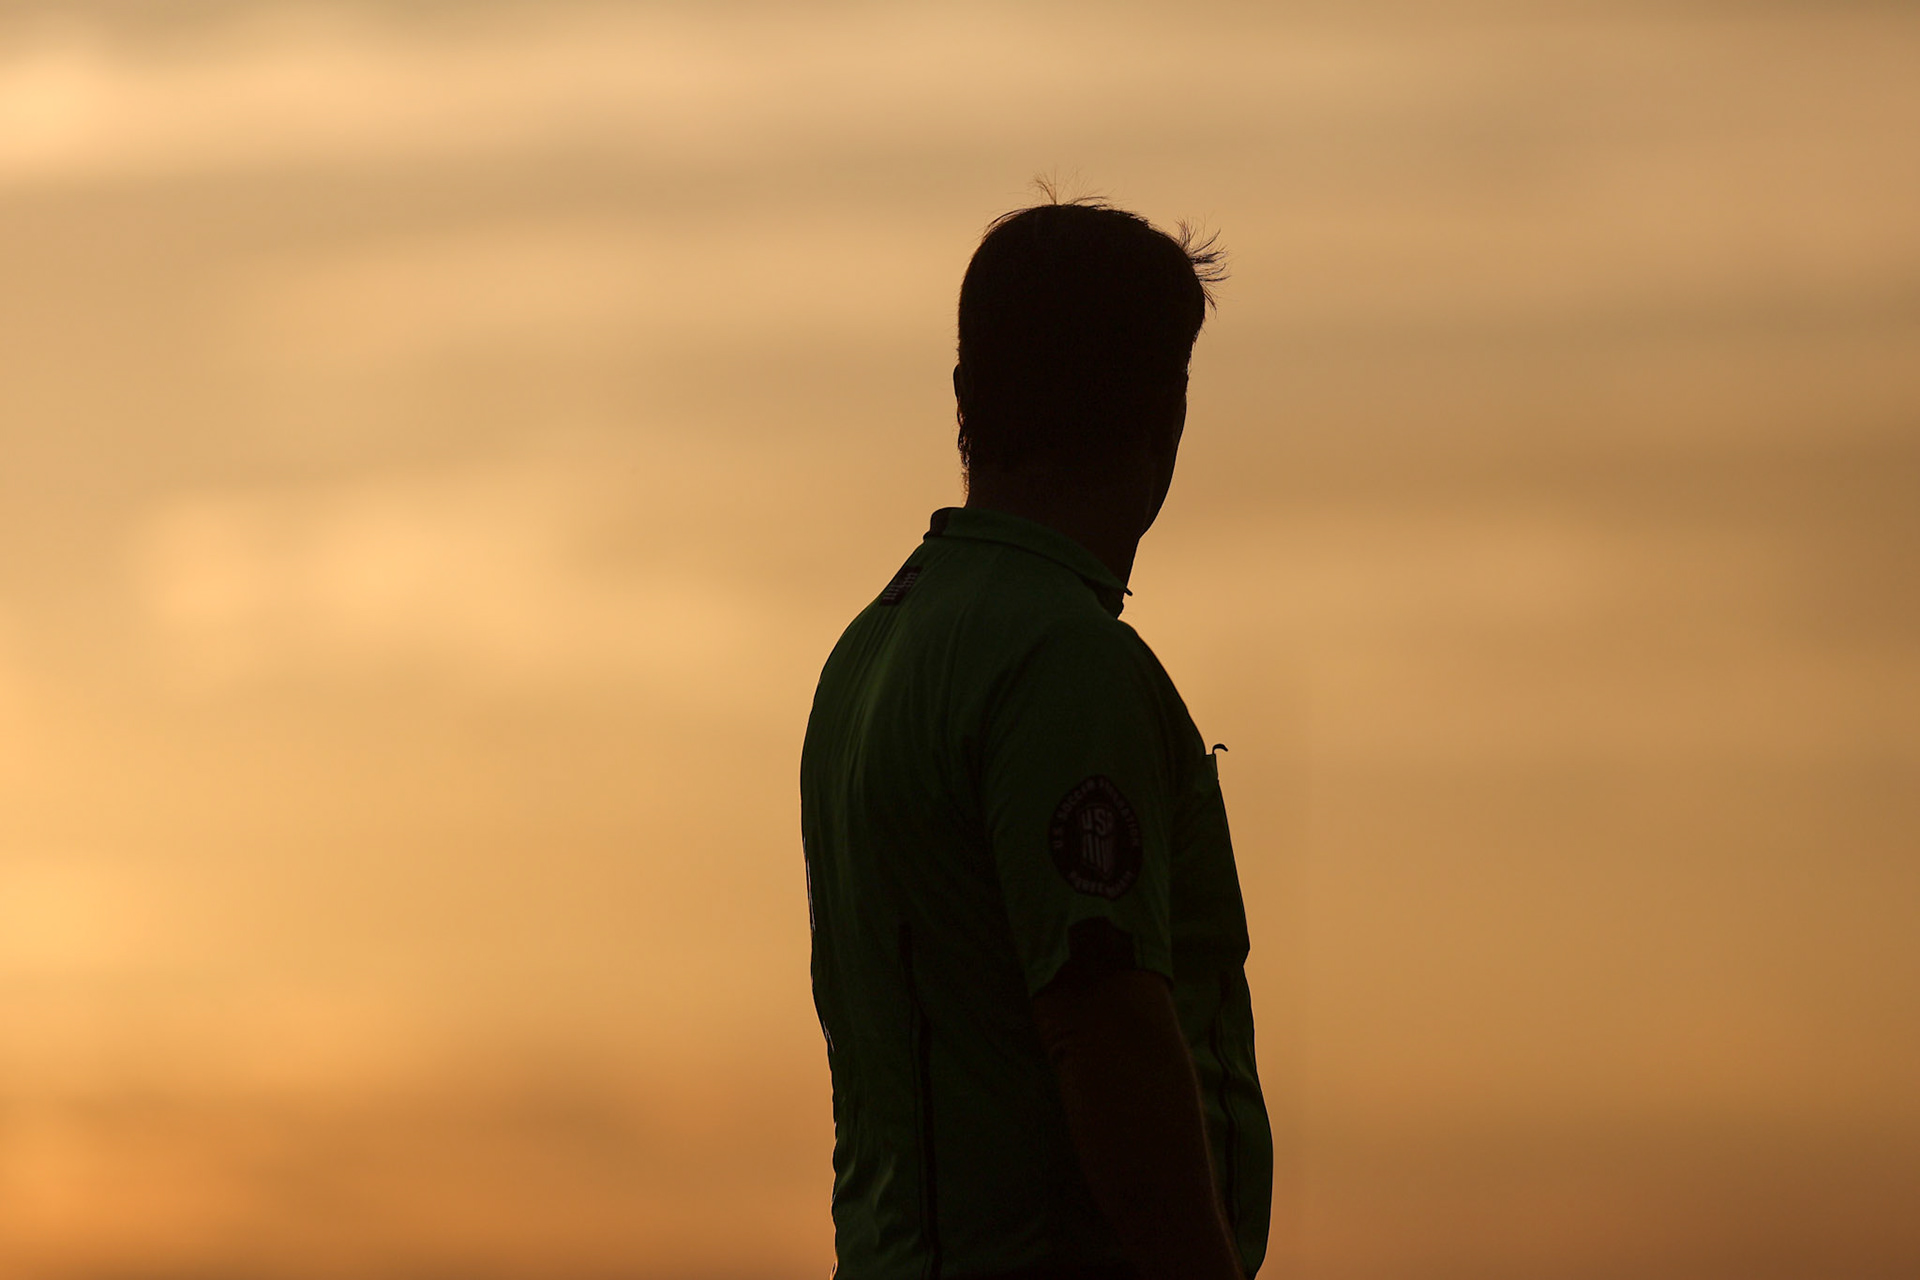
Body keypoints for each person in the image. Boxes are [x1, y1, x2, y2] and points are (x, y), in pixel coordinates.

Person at [799, 197, 1270, 1280]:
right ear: (1164, 414)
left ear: (965, 399)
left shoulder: (871, 650)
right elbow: (1105, 1031)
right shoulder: (1064, 665)